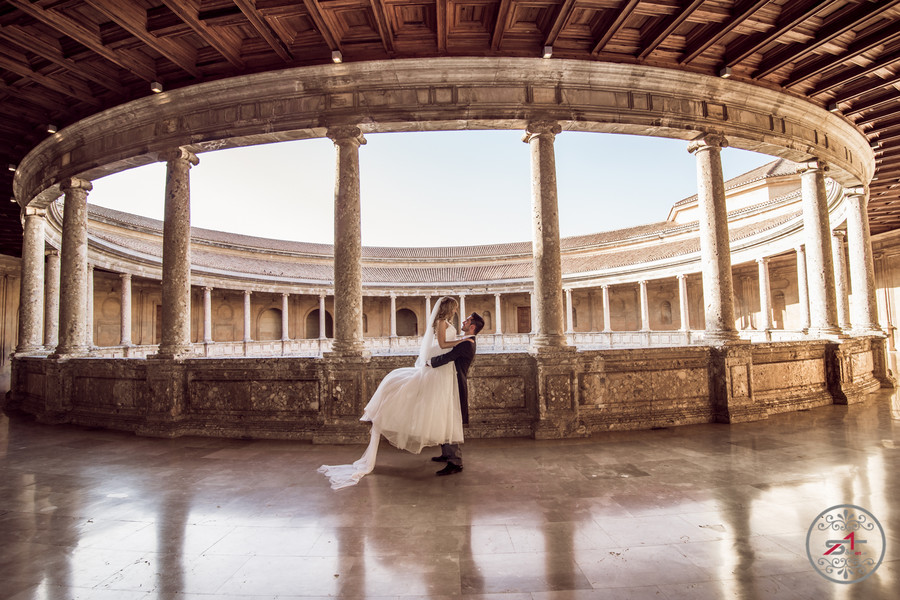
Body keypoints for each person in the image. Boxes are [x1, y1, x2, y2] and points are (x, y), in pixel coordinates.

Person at [318, 297, 470, 489]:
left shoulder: (445, 323)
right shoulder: (441, 322)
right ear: (449, 308)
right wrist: (462, 340)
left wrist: (458, 340)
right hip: (440, 372)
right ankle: (451, 456)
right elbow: (441, 344)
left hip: (444, 372)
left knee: (440, 410)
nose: (456, 311)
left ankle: (449, 454)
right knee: (439, 409)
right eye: (455, 308)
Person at [427, 312, 484, 475]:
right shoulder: (466, 341)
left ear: (472, 327)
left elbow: (449, 357)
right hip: (452, 383)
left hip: (456, 385)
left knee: (451, 420)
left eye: (467, 321)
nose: (464, 321)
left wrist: (429, 362)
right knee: (445, 418)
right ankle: (447, 454)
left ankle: (456, 461)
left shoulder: (467, 343)